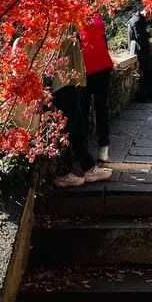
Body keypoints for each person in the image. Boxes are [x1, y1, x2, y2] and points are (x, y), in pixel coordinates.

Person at [51, 27, 109, 187]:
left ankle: (87, 167)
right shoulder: (64, 26)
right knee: (68, 128)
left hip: (71, 82)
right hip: (64, 83)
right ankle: (64, 172)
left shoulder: (69, 25)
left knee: (77, 127)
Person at [80, 15, 114, 169]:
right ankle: (87, 150)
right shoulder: (72, 23)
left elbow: (97, 28)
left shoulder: (93, 19)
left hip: (97, 68)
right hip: (86, 70)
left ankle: (103, 146)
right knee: (86, 107)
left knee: (99, 105)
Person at [127, 7, 152, 102]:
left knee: (148, 73)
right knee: (147, 74)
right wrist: (150, 34)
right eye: (150, 16)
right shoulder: (137, 21)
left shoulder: (137, 19)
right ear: (146, 13)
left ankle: (149, 95)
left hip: (142, 51)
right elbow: (139, 37)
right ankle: (149, 95)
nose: (150, 19)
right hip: (140, 52)